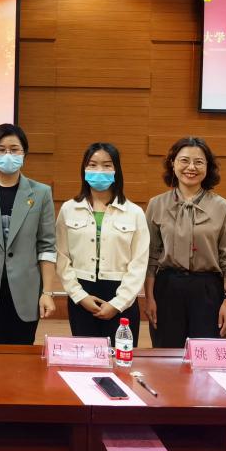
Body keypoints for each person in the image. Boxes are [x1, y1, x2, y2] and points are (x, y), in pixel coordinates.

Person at [0, 123, 56, 344]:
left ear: (24, 153)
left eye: (14, 150)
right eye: (1, 150)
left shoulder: (41, 193)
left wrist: (47, 292)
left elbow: (46, 247)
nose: (8, 155)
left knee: (24, 349)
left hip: (27, 290)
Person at [145, 136, 226, 347]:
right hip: (167, 289)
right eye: (184, 160)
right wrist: (149, 298)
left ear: (208, 167)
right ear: (173, 163)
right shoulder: (156, 205)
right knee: (167, 355)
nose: (191, 167)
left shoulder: (223, 208)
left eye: (198, 162)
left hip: (208, 290)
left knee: (207, 355)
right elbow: (151, 257)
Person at [55, 142, 148, 344]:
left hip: (121, 296)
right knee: (86, 355)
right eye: (93, 165)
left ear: (116, 170)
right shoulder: (69, 209)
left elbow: (139, 264)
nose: (99, 171)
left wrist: (118, 303)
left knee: (120, 356)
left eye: (107, 165)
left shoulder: (134, 213)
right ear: (84, 169)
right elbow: (61, 257)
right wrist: (79, 296)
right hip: (82, 294)